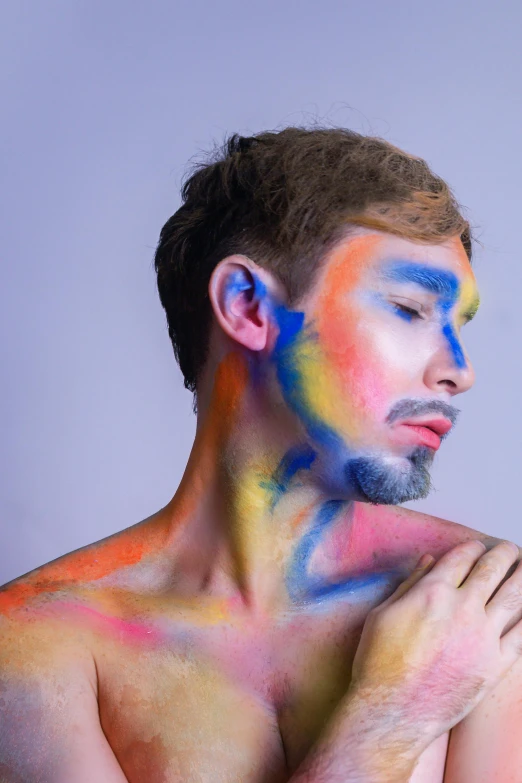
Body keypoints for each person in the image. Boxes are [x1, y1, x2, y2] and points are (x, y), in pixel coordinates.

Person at [2, 127, 522, 783]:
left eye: (459, 324)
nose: (459, 370)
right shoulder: (33, 646)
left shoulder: (490, 605)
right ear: (247, 305)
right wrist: (392, 719)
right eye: (410, 308)